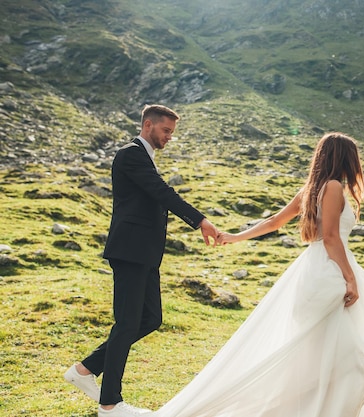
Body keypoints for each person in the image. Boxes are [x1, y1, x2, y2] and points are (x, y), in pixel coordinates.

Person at [146, 132, 364, 417]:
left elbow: (275, 221)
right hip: (330, 273)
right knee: (351, 364)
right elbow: (330, 238)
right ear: (346, 158)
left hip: (312, 273)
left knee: (319, 360)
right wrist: (350, 277)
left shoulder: (312, 189)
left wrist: (234, 237)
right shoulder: (335, 187)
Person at [64, 104, 219, 417]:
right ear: (148, 124)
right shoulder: (130, 153)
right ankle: (109, 404)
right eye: (166, 131)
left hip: (145, 254)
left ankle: (85, 369)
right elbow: (161, 192)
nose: (169, 138)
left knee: (150, 319)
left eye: (171, 133)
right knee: (127, 323)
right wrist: (200, 220)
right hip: (130, 251)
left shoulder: (143, 158)